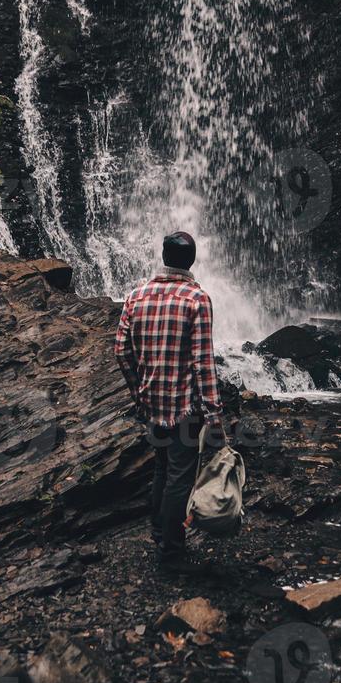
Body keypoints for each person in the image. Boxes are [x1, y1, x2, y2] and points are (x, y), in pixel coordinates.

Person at [114, 231, 225, 565]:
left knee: (162, 470)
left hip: (152, 404)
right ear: (191, 260)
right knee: (179, 478)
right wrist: (215, 414)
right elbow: (203, 362)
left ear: (163, 256)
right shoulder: (197, 299)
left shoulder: (136, 295)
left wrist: (139, 391)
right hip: (185, 408)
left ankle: (160, 533)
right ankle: (172, 550)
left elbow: (120, 350)